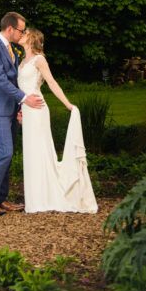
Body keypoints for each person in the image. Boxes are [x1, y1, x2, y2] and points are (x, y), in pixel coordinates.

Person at [18, 28, 98, 213]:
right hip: (27, 111)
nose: (22, 34)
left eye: (25, 32)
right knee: (31, 153)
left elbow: (52, 83)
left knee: (41, 151)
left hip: (38, 110)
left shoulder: (39, 59)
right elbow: (22, 90)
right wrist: (20, 111)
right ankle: (35, 198)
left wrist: (68, 105)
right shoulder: (22, 62)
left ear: (32, 38)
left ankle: (46, 197)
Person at [0, 11, 45, 216]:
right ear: (10, 29)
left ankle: (1, 198)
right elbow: (0, 80)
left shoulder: (12, 49)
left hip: (12, 108)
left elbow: (16, 80)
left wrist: (19, 108)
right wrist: (24, 99)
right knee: (5, 152)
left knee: (9, 153)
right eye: (21, 30)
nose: (23, 33)